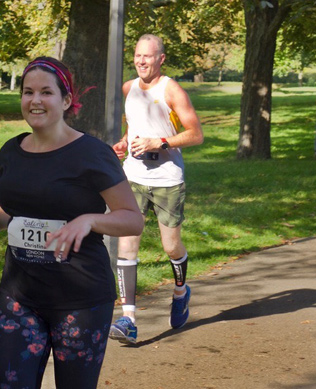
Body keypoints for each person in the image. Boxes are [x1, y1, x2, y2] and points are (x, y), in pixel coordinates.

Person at [0, 57, 143, 389]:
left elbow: (132, 220)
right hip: (20, 295)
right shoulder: (11, 151)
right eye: (28, 92)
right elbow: (9, 208)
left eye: (46, 92)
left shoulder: (92, 154)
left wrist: (89, 220)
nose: (35, 101)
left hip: (81, 299)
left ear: (66, 100)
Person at [108, 34, 204, 344]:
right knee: (127, 243)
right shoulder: (129, 88)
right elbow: (133, 125)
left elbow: (195, 134)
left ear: (160, 58)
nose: (140, 61)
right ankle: (128, 319)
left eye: (147, 56)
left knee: (170, 247)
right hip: (133, 176)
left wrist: (160, 142)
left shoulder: (172, 90)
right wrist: (125, 142)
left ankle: (180, 292)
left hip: (167, 179)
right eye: (137, 55)